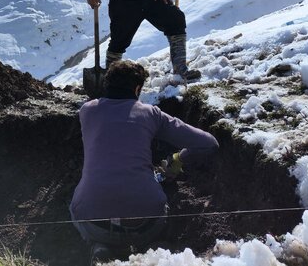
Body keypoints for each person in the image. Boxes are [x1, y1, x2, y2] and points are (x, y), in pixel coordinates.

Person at [70, 60, 219, 262]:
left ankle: (99, 246)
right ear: (137, 88)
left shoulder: (87, 111)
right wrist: (177, 159)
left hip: (95, 225)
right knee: (156, 211)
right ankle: (152, 246)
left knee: (76, 206)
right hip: (146, 223)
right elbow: (208, 143)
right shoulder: (150, 114)